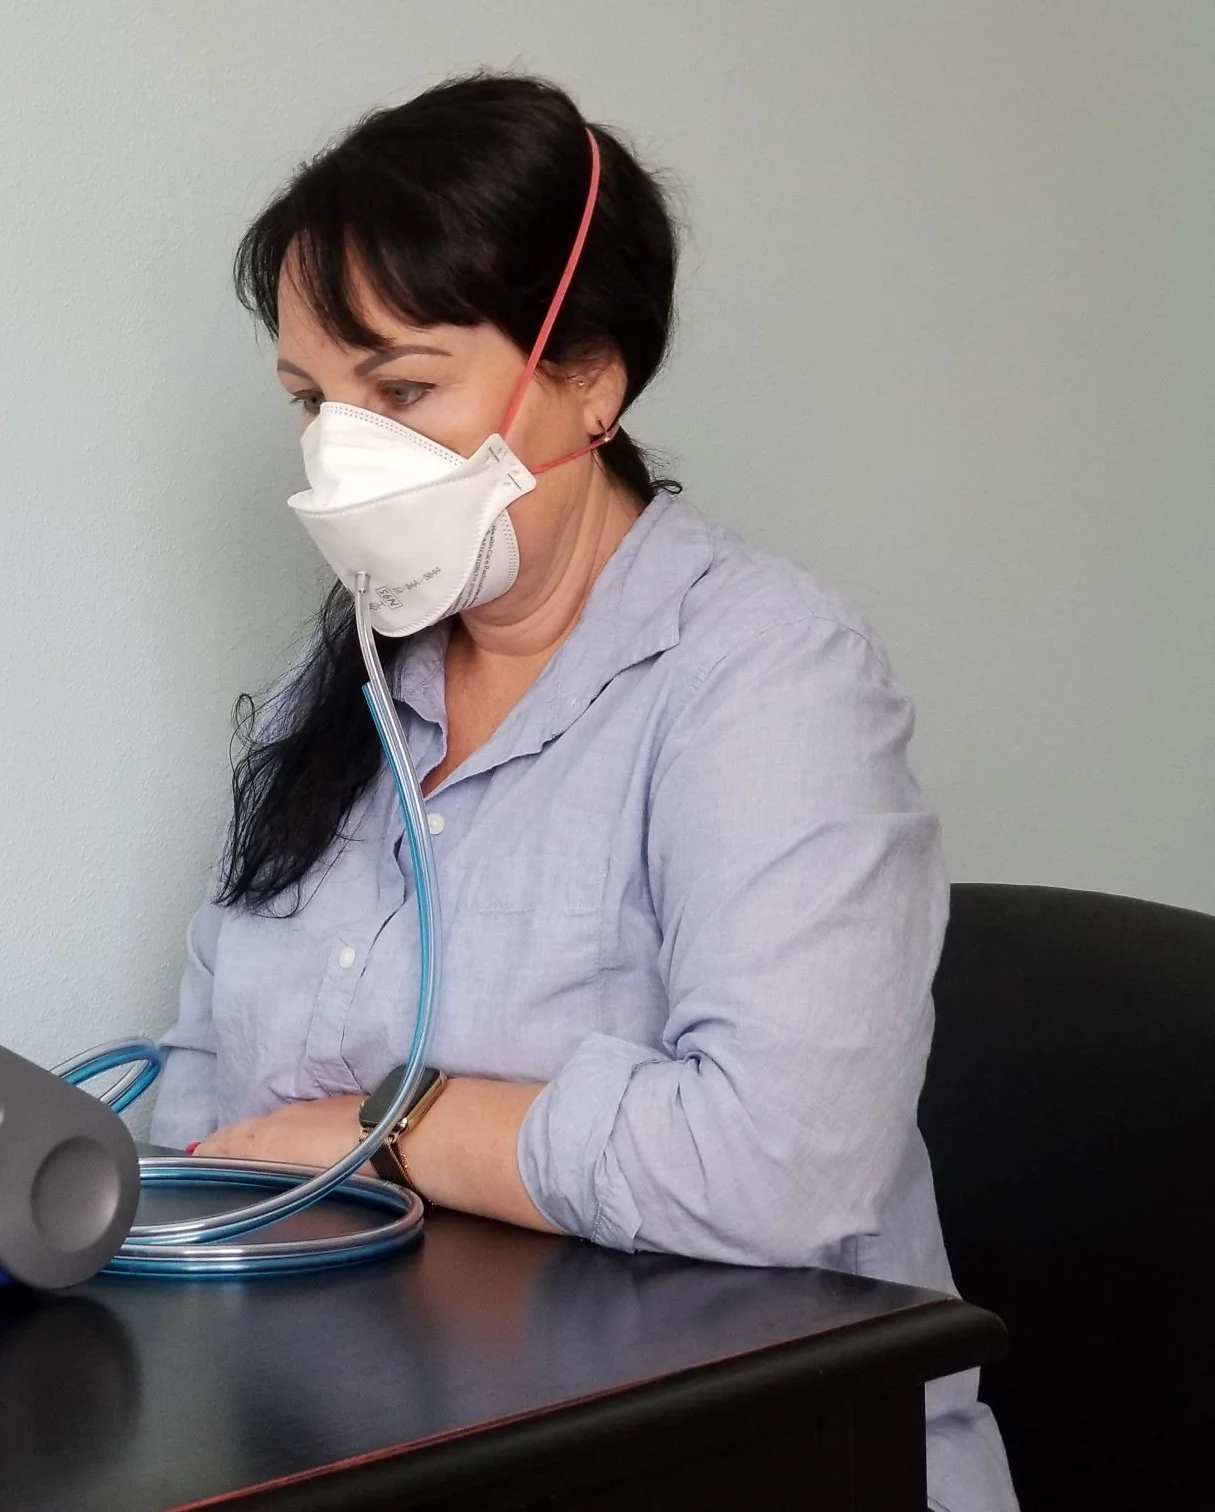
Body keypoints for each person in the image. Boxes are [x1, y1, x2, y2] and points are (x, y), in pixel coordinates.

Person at [147, 73, 1017, 1512]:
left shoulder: (766, 676)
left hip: (761, 1462)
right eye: (312, 401)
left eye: (403, 389)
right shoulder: (342, 694)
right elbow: (209, 1104)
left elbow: (780, 1166)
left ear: (591, 380)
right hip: (407, 1443)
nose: (339, 457)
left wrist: (390, 1126)